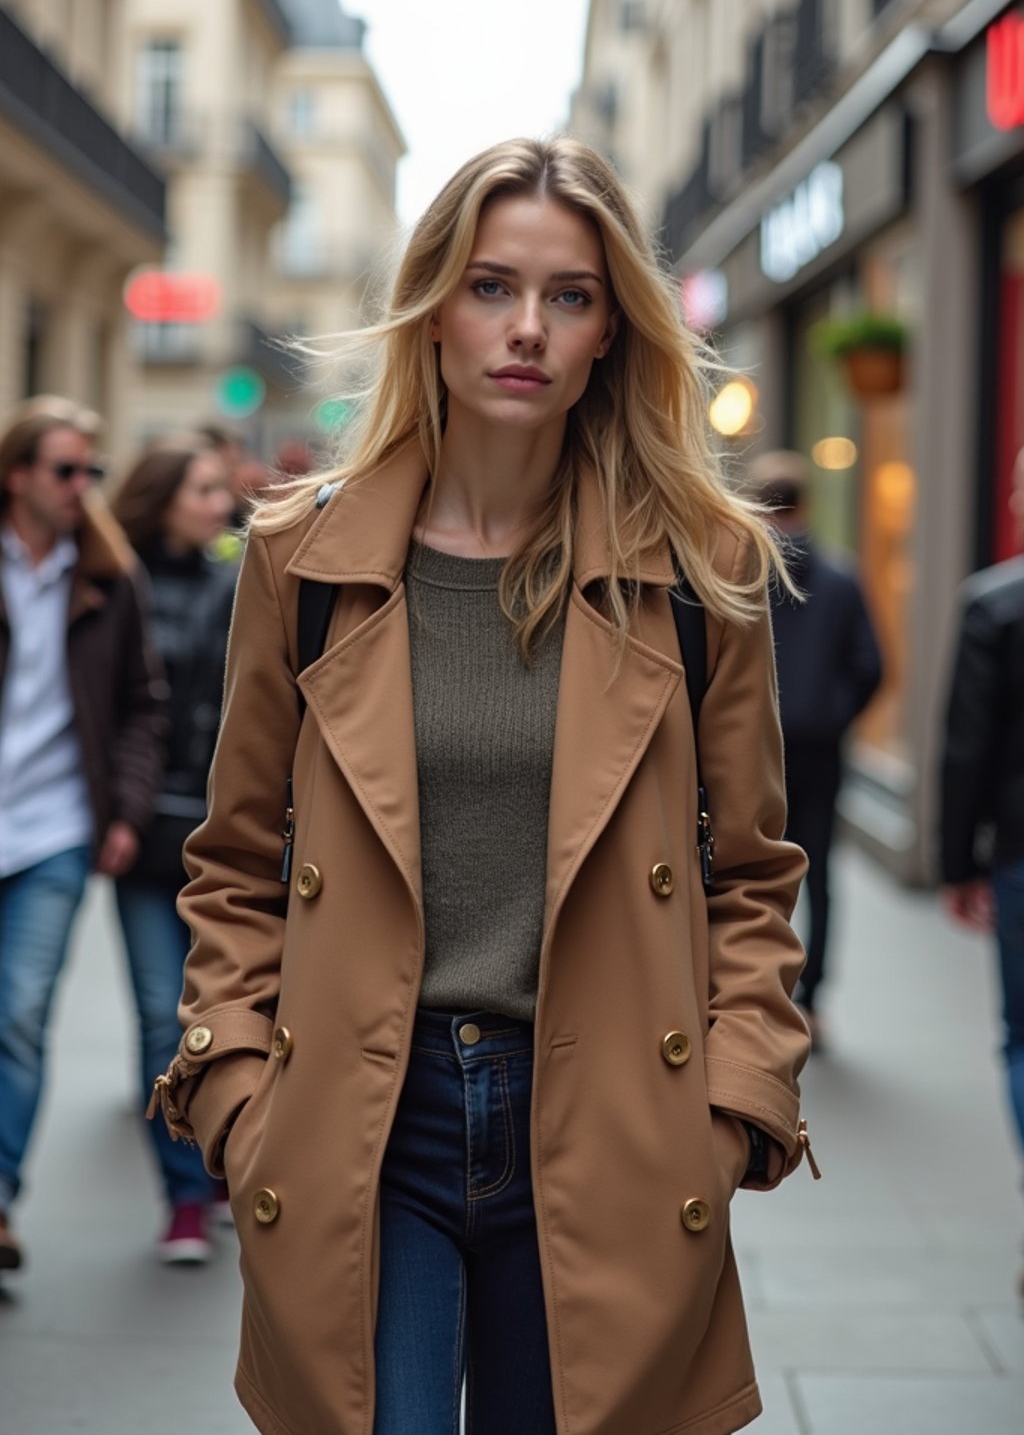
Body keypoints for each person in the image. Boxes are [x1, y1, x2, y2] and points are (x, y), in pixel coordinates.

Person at [152, 137, 817, 1435]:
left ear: (614, 331)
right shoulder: (304, 558)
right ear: (434, 308)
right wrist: (234, 1091)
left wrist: (736, 1102)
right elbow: (234, 861)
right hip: (361, 1116)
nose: (527, 329)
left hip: (614, 1118)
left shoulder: (699, 568)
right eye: (490, 286)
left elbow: (752, 874)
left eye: (569, 296)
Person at [0, 397, 165, 1275]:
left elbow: (144, 706)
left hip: (54, 831)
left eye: (92, 471)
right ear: (18, 474)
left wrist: (124, 812)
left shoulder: (108, 573)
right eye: (65, 470)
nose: (82, 487)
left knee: (20, 1015)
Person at [111, 436, 236, 1264]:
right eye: (203, 489)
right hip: (149, 834)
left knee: (225, 1013)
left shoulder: (242, 581)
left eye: (223, 489)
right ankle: (185, 1198)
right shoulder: (117, 586)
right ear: (162, 497)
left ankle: (222, 1156)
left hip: (227, 838)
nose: (221, 504)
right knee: (163, 1013)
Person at [747, 451, 883, 1048]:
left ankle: (753, 993)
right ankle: (814, 998)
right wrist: (832, 715)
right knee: (819, 869)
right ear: (805, 504)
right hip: (819, 750)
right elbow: (872, 666)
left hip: (749, 751)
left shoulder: (737, 573)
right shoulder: (841, 578)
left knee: (745, 868)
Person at [939, 447, 1024, 1291]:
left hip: (1020, 856)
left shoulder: (995, 604)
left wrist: (957, 862)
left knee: (1023, 1035)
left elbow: (965, 748)